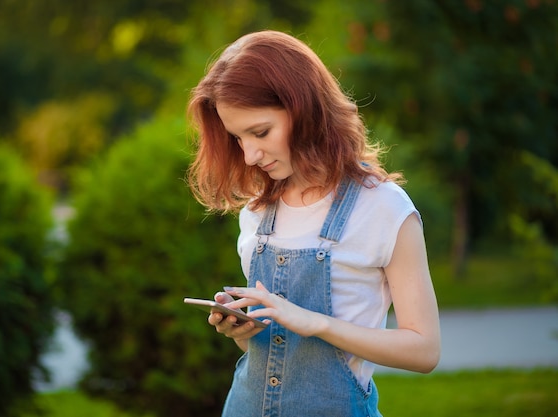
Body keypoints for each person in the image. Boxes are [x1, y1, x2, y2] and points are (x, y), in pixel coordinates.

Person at [186, 30, 440, 417]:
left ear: (304, 108)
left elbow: (424, 350)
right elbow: (275, 357)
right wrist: (244, 332)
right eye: (238, 139)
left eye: (261, 132)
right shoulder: (255, 213)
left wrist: (317, 324)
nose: (250, 155)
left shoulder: (384, 209)